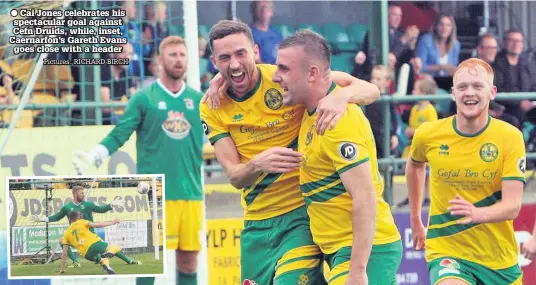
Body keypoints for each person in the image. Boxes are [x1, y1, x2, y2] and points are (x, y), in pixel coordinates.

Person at [201, 20, 380, 285]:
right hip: (257, 223)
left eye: (241, 53)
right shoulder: (212, 106)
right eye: (225, 58)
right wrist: (258, 164)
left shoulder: (283, 78)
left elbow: (371, 89)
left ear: (256, 52)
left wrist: (341, 97)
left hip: (300, 216)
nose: (235, 64)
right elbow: (235, 177)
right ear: (215, 62)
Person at [272, 29, 401, 285]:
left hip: (366, 250)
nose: (276, 76)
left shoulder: (337, 121)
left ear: (312, 74)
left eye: (284, 69)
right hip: (336, 248)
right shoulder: (316, 105)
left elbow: (364, 197)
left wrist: (358, 270)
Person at [72, 36, 204, 285]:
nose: (178, 60)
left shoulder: (199, 101)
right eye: (172, 55)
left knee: (188, 260)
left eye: (182, 55)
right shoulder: (144, 98)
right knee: (149, 261)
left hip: (191, 193)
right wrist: (95, 155)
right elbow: (120, 133)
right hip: (155, 195)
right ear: (159, 61)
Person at [406, 58, 526, 285]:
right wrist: (415, 217)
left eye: (477, 86)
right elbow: (414, 165)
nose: (469, 93)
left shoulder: (510, 137)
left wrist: (477, 214)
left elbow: (513, 206)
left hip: (499, 261)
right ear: (452, 93)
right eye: (462, 87)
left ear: (492, 92)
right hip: (447, 252)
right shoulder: (428, 134)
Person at [31, 185, 128, 267]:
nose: (83, 194)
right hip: (76, 236)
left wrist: (111, 205)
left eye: (83, 193)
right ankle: (76, 262)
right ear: (75, 194)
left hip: (89, 234)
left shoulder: (88, 204)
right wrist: (42, 219)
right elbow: (57, 217)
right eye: (81, 193)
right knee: (62, 241)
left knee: (107, 249)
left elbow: (100, 209)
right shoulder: (67, 207)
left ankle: (128, 260)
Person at [59, 211, 132, 275]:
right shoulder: (81, 222)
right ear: (77, 217)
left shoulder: (66, 233)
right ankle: (109, 252)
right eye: (80, 215)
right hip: (94, 244)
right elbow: (98, 225)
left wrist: (62, 269)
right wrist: (112, 222)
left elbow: (64, 253)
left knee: (102, 259)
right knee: (116, 248)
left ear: (70, 219)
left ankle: (107, 266)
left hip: (86, 254)